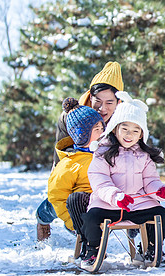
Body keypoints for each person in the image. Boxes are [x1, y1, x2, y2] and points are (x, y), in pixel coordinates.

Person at [81, 91, 165, 269]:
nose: (129, 135)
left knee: (164, 217)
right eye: (124, 129)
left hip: (137, 203)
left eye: (135, 130)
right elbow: (100, 181)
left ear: (141, 134)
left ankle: (150, 248)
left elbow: (150, 180)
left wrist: (160, 190)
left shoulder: (144, 155)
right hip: (108, 203)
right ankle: (93, 250)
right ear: (115, 128)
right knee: (91, 218)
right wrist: (116, 196)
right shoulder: (102, 152)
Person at [36, 61, 124, 241]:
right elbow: (62, 152)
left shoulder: (124, 120)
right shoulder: (71, 117)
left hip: (104, 176)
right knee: (60, 199)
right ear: (90, 97)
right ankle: (42, 218)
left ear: (119, 102)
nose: (102, 108)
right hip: (75, 167)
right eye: (97, 101)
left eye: (109, 102)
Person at [47, 97, 105, 261]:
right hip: (84, 213)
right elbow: (57, 195)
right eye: (97, 130)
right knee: (76, 198)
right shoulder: (70, 164)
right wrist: (71, 221)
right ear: (82, 134)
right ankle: (90, 246)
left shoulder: (106, 155)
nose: (102, 133)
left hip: (108, 204)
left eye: (102, 128)